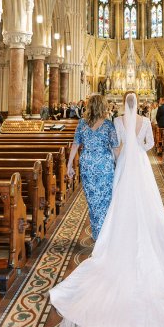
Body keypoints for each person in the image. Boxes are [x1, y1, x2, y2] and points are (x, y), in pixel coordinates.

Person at [49, 91, 164, 327]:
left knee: (116, 200)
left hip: (114, 163)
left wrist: (113, 158)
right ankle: (124, 230)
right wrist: (136, 147)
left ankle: (107, 234)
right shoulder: (143, 121)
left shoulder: (115, 122)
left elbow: (109, 146)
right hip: (136, 163)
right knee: (143, 199)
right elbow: (147, 145)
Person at [66, 94, 120, 240]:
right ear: (103, 106)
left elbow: (75, 144)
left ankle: (98, 233)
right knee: (105, 198)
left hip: (88, 163)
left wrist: (69, 164)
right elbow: (115, 148)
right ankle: (105, 233)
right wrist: (121, 166)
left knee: (92, 199)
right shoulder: (109, 124)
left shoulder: (82, 123)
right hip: (104, 164)